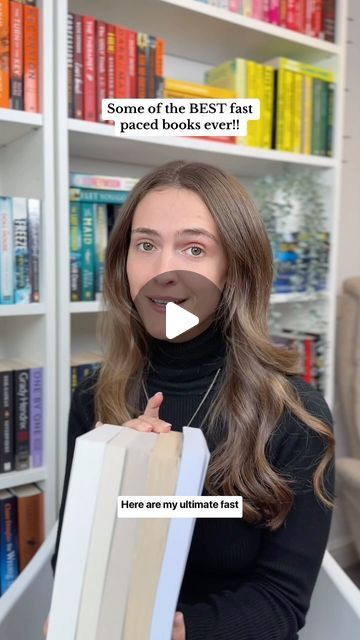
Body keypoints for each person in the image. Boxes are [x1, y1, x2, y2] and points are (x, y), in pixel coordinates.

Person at [46, 160, 335, 640]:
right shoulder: (98, 396)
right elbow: (71, 560)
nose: (163, 272)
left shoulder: (294, 415)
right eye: (146, 245)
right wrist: (113, 479)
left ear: (235, 268)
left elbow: (282, 602)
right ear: (123, 262)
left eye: (194, 248)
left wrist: (166, 631)